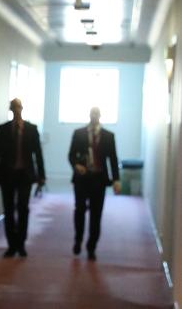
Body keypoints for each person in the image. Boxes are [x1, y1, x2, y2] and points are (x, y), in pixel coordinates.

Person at [0, 98, 45, 258]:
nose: (17, 110)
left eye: (19, 107)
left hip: (25, 175)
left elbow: (38, 154)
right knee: (8, 210)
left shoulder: (31, 129)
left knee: (23, 208)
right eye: (14, 107)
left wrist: (41, 175)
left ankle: (21, 243)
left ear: (22, 108)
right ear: (10, 109)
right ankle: (11, 244)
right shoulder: (3, 129)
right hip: (6, 175)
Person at [68, 107, 120, 261]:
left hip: (99, 179)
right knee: (80, 209)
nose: (94, 116)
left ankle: (91, 246)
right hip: (82, 179)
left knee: (96, 214)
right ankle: (78, 240)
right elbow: (71, 155)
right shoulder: (79, 133)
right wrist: (76, 165)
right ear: (89, 115)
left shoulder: (109, 136)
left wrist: (116, 179)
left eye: (97, 114)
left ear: (100, 116)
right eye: (92, 114)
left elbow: (113, 159)